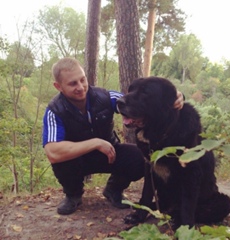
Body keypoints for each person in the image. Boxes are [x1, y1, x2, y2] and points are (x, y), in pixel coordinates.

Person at [42, 57, 184, 215]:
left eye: (83, 80)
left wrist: (174, 95)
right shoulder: (55, 110)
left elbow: (135, 102)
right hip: (78, 159)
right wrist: (95, 143)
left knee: (138, 158)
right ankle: (73, 195)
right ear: (58, 86)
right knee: (62, 161)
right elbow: (52, 151)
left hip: (109, 153)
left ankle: (113, 189)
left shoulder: (104, 97)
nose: (81, 87)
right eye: (72, 83)